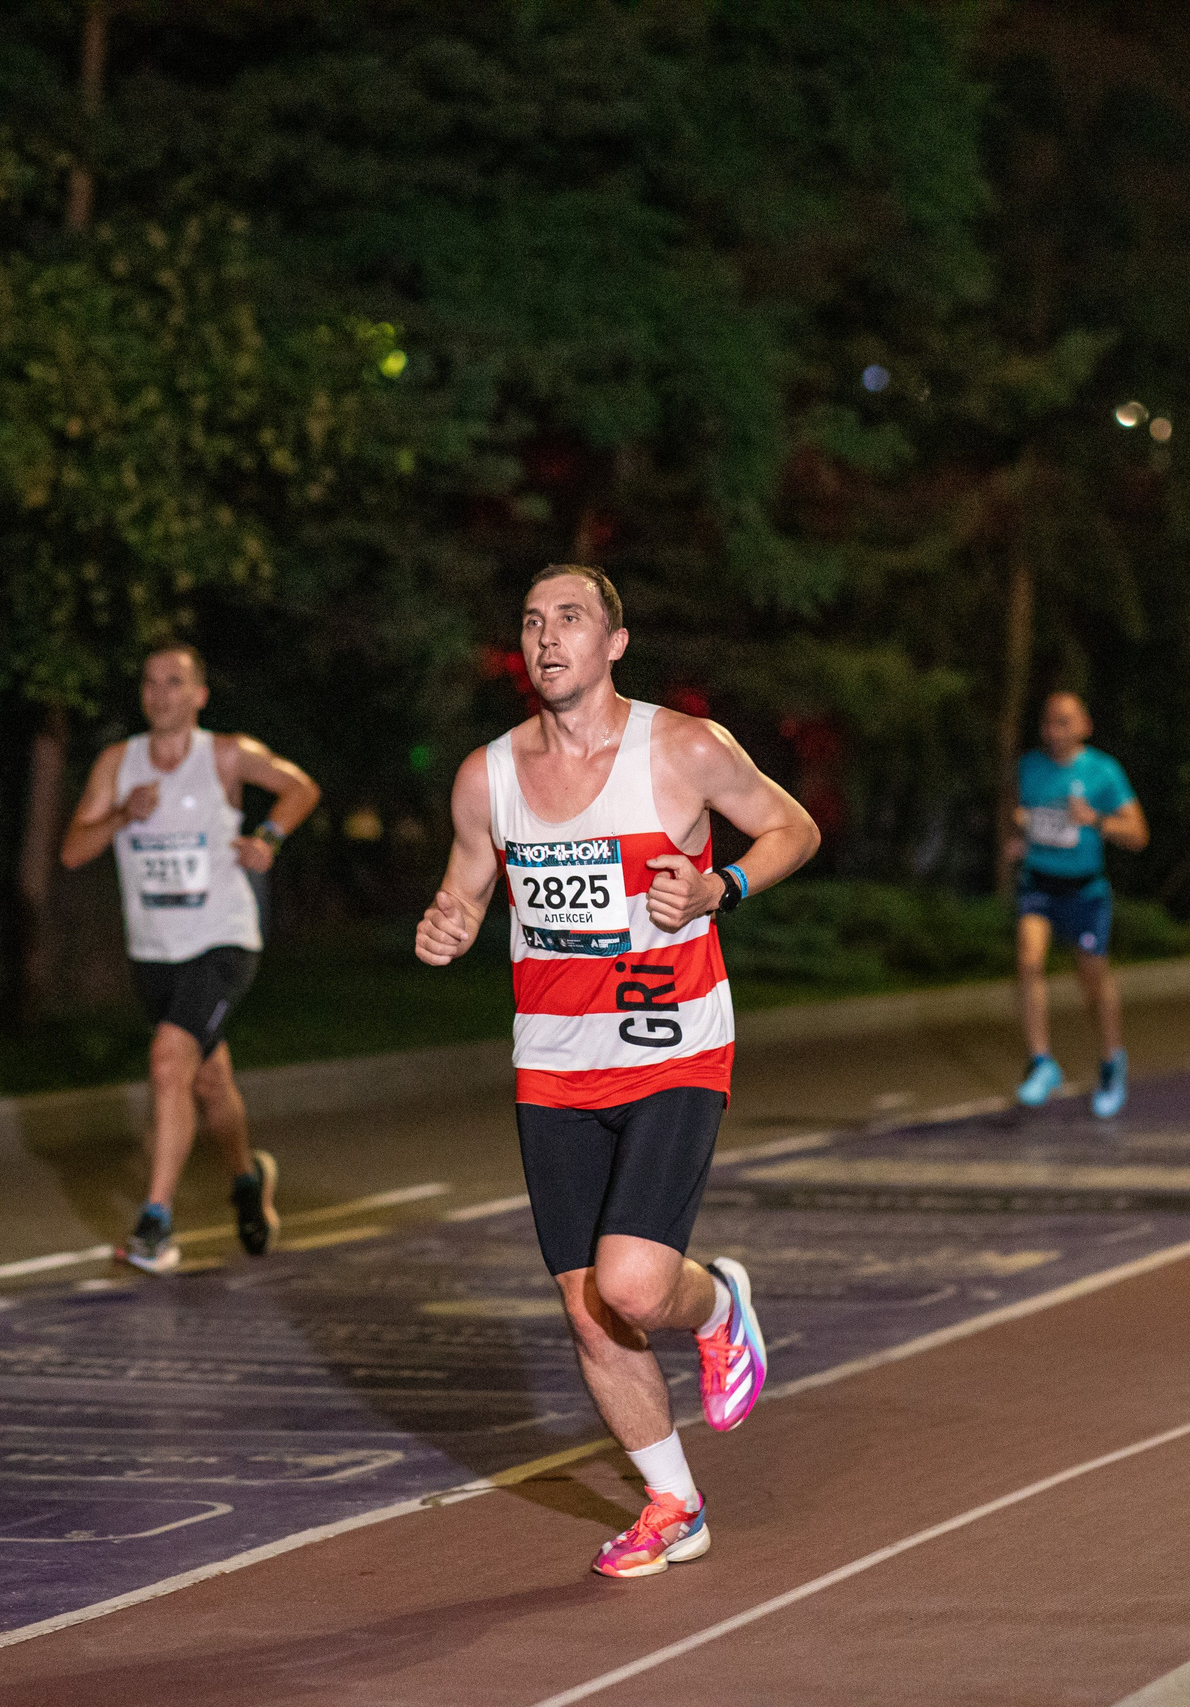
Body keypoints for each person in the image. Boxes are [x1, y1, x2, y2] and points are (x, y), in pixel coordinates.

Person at [415, 564, 819, 1580]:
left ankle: (718, 1304)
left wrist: (720, 886)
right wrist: (450, 922)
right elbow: (465, 883)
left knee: (633, 1285)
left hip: (672, 1044)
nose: (548, 637)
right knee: (586, 1310)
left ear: (614, 643)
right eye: (532, 621)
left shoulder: (682, 748)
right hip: (552, 1063)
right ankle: (673, 1503)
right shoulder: (487, 776)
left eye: (571, 618)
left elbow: (794, 828)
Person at [61, 644, 321, 1272]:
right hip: (155, 951)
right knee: (207, 1080)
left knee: (169, 1061)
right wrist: (124, 814)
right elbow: (72, 851)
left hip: (223, 938)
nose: (161, 695)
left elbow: (300, 787)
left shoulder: (226, 754)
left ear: (199, 694)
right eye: (151, 683)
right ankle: (246, 1181)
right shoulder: (117, 764)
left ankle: (155, 1223)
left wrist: (268, 838)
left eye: (175, 683)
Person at [1006, 692, 1150, 1115]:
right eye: (1050, 722)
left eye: (1065, 722)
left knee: (1092, 982)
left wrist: (1097, 820)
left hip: (1085, 891)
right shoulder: (1029, 767)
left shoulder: (1103, 772)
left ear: (1084, 725)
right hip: (1039, 883)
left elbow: (1139, 834)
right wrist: (1018, 833)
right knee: (1029, 961)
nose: (1056, 730)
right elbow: (1019, 816)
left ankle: (1111, 1060)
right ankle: (1041, 1062)